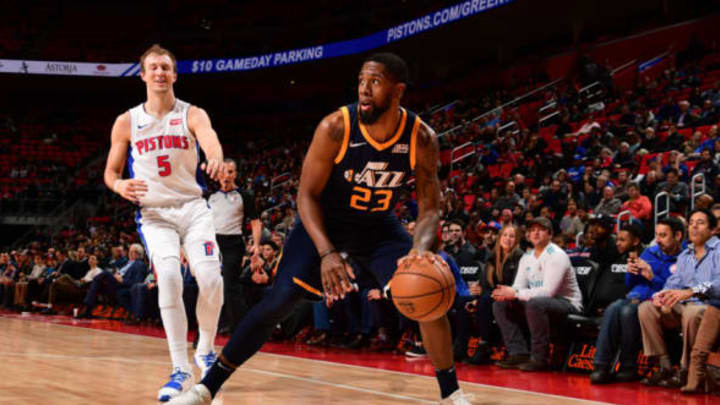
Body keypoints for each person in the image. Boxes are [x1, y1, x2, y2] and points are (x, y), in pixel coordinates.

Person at [169, 53, 472, 404]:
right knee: (277, 301)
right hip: (324, 222)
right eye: (361, 81)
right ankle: (206, 388)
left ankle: (452, 395)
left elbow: (430, 205)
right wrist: (327, 253)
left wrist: (420, 251)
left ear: (398, 90)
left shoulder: (421, 137)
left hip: (377, 226)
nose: (364, 89)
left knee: (426, 294)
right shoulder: (336, 127)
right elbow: (307, 195)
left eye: (374, 82)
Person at [103, 44, 225, 402]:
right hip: (155, 214)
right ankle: (180, 369)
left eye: (166, 67)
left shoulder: (193, 113)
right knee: (169, 278)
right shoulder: (127, 121)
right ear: (142, 75)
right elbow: (110, 172)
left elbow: (211, 142)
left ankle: (205, 347)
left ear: (174, 75)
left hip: (192, 208)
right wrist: (119, 184)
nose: (159, 73)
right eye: (153, 67)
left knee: (211, 279)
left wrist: (216, 159)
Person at [589, 219, 683, 384]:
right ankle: (601, 366)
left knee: (627, 312)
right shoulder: (650, 252)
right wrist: (631, 272)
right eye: (657, 235)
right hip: (635, 296)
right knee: (612, 308)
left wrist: (652, 277)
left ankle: (628, 366)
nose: (658, 240)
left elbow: (675, 289)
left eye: (663, 235)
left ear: (678, 236)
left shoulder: (684, 259)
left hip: (657, 301)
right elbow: (629, 283)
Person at [638, 208, 720, 388]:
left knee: (691, 312)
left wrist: (691, 291)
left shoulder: (718, 251)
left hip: (710, 308)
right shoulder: (685, 255)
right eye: (691, 223)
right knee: (647, 308)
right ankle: (665, 365)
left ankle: (686, 370)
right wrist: (661, 296)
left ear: (713, 230)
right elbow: (673, 283)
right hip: (684, 306)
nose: (694, 227)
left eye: (700, 223)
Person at [492, 217, 583, 371]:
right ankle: (518, 353)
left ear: (550, 234)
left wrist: (515, 293)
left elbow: (548, 292)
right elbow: (518, 287)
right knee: (500, 304)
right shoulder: (527, 257)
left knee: (535, 303)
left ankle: (540, 358)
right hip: (541, 303)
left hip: (567, 303)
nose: (535, 233)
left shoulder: (557, 255)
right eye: (532, 230)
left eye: (540, 230)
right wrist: (506, 294)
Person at [207, 158, 261, 334]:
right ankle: (206, 330)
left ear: (235, 174)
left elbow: (255, 222)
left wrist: (257, 246)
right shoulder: (210, 196)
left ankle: (240, 329)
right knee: (209, 286)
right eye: (223, 172)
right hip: (213, 244)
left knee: (231, 286)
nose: (226, 176)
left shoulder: (245, 196)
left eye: (230, 172)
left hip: (233, 244)